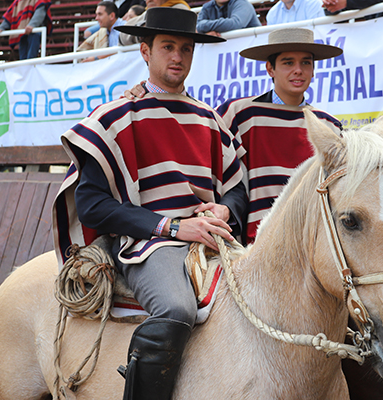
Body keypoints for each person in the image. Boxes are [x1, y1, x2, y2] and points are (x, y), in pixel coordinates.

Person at [53, 7, 247, 400]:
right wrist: (173, 227)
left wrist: (225, 208)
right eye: (168, 47)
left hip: (213, 239)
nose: (178, 57)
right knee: (177, 308)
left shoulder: (209, 119)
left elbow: (238, 189)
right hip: (147, 246)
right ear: (145, 51)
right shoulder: (115, 117)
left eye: (187, 49)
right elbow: (91, 206)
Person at [216, 27, 342, 243]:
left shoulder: (329, 125)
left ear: (313, 70)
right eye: (288, 62)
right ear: (270, 69)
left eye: (306, 63)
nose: (298, 70)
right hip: (252, 246)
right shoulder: (240, 114)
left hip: (311, 243)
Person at [118, 0, 190, 46]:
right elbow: (122, 34)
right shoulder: (148, 12)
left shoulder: (180, 8)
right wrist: (142, 31)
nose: (149, 0)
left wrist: (140, 32)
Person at [196, 0, 260, 37]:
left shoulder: (242, 3)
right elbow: (195, 29)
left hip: (250, 52)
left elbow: (235, 24)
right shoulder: (207, 7)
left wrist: (203, 26)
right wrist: (205, 34)